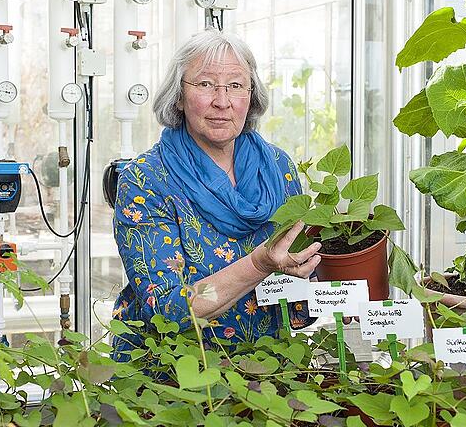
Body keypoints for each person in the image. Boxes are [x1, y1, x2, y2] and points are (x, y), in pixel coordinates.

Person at [111, 28, 321, 360]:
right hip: (174, 379)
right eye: (206, 84)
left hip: (269, 371)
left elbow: (298, 286)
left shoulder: (277, 167)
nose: (222, 101)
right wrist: (258, 264)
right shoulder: (147, 179)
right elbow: (170, 308)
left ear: (251, 97)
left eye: (236, 86)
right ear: (179, 96)